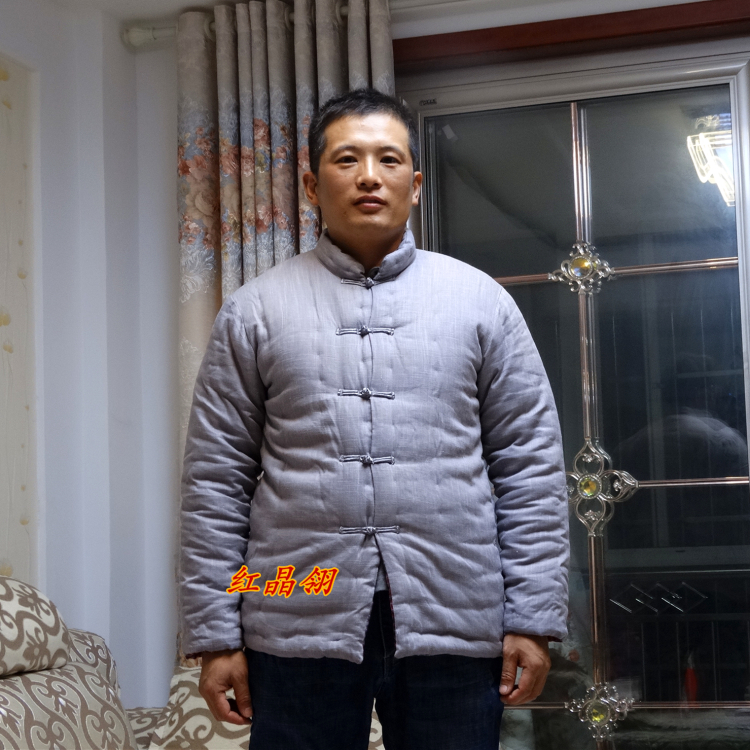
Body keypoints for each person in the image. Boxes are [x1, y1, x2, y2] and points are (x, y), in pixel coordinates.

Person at [179, 88, 570, 750]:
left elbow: (529, 469)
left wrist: (531, 618)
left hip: (457, 615)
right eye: (346, 159)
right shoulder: (254, 311)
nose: (368, 176)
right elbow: (215, 481)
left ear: (414, 184)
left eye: (388, 159)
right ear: (311, 185)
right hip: (293, 614)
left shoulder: (481, 303)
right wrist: (216, 635)